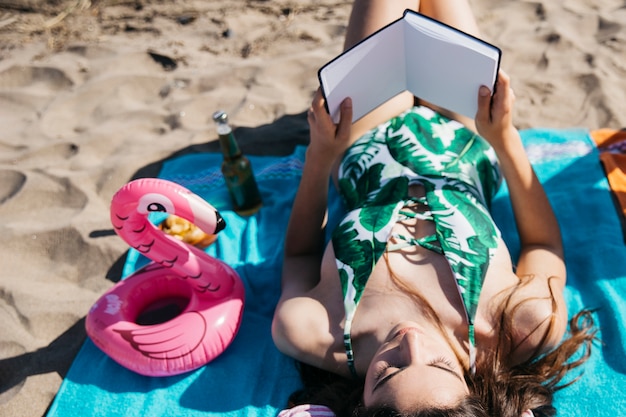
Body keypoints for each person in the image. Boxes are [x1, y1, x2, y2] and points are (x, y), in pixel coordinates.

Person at [271, 1, 597, 416]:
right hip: (466, 137)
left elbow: (299, 255)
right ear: (473, 392)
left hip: (364, 140)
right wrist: (503, 136)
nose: (411, 340)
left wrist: (320, 156)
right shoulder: (522, 323)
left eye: (389, 372)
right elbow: (543, 243)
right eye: (441, 364)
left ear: (360, 406)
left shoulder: (316, 331)